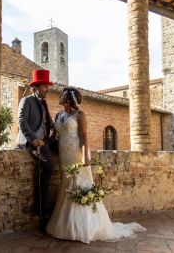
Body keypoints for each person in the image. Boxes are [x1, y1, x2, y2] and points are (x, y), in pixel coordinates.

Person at [46, 87, 146, 243]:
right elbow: (54, 136)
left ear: (70, 99)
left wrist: (85, 157)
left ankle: (84, 227)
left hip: (77, 154)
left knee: (79, 185)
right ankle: (66, 223)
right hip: (63, 155)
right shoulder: (59, 114)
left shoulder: (79, 115)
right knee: (67, 185)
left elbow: (84, 136)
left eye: (63, 95)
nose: (59, 96)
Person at [16, 69, 55, 234]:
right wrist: (33, 139)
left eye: (47, 86)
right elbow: (22, 122)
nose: (47, 89)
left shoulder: (43, 102)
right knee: (48, 167)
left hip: (45, 140)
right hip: (32, 142)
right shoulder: (27, 101)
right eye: (45, 86)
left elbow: (48, 121)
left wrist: (55, 128)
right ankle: (40, 209)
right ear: (37, 87)